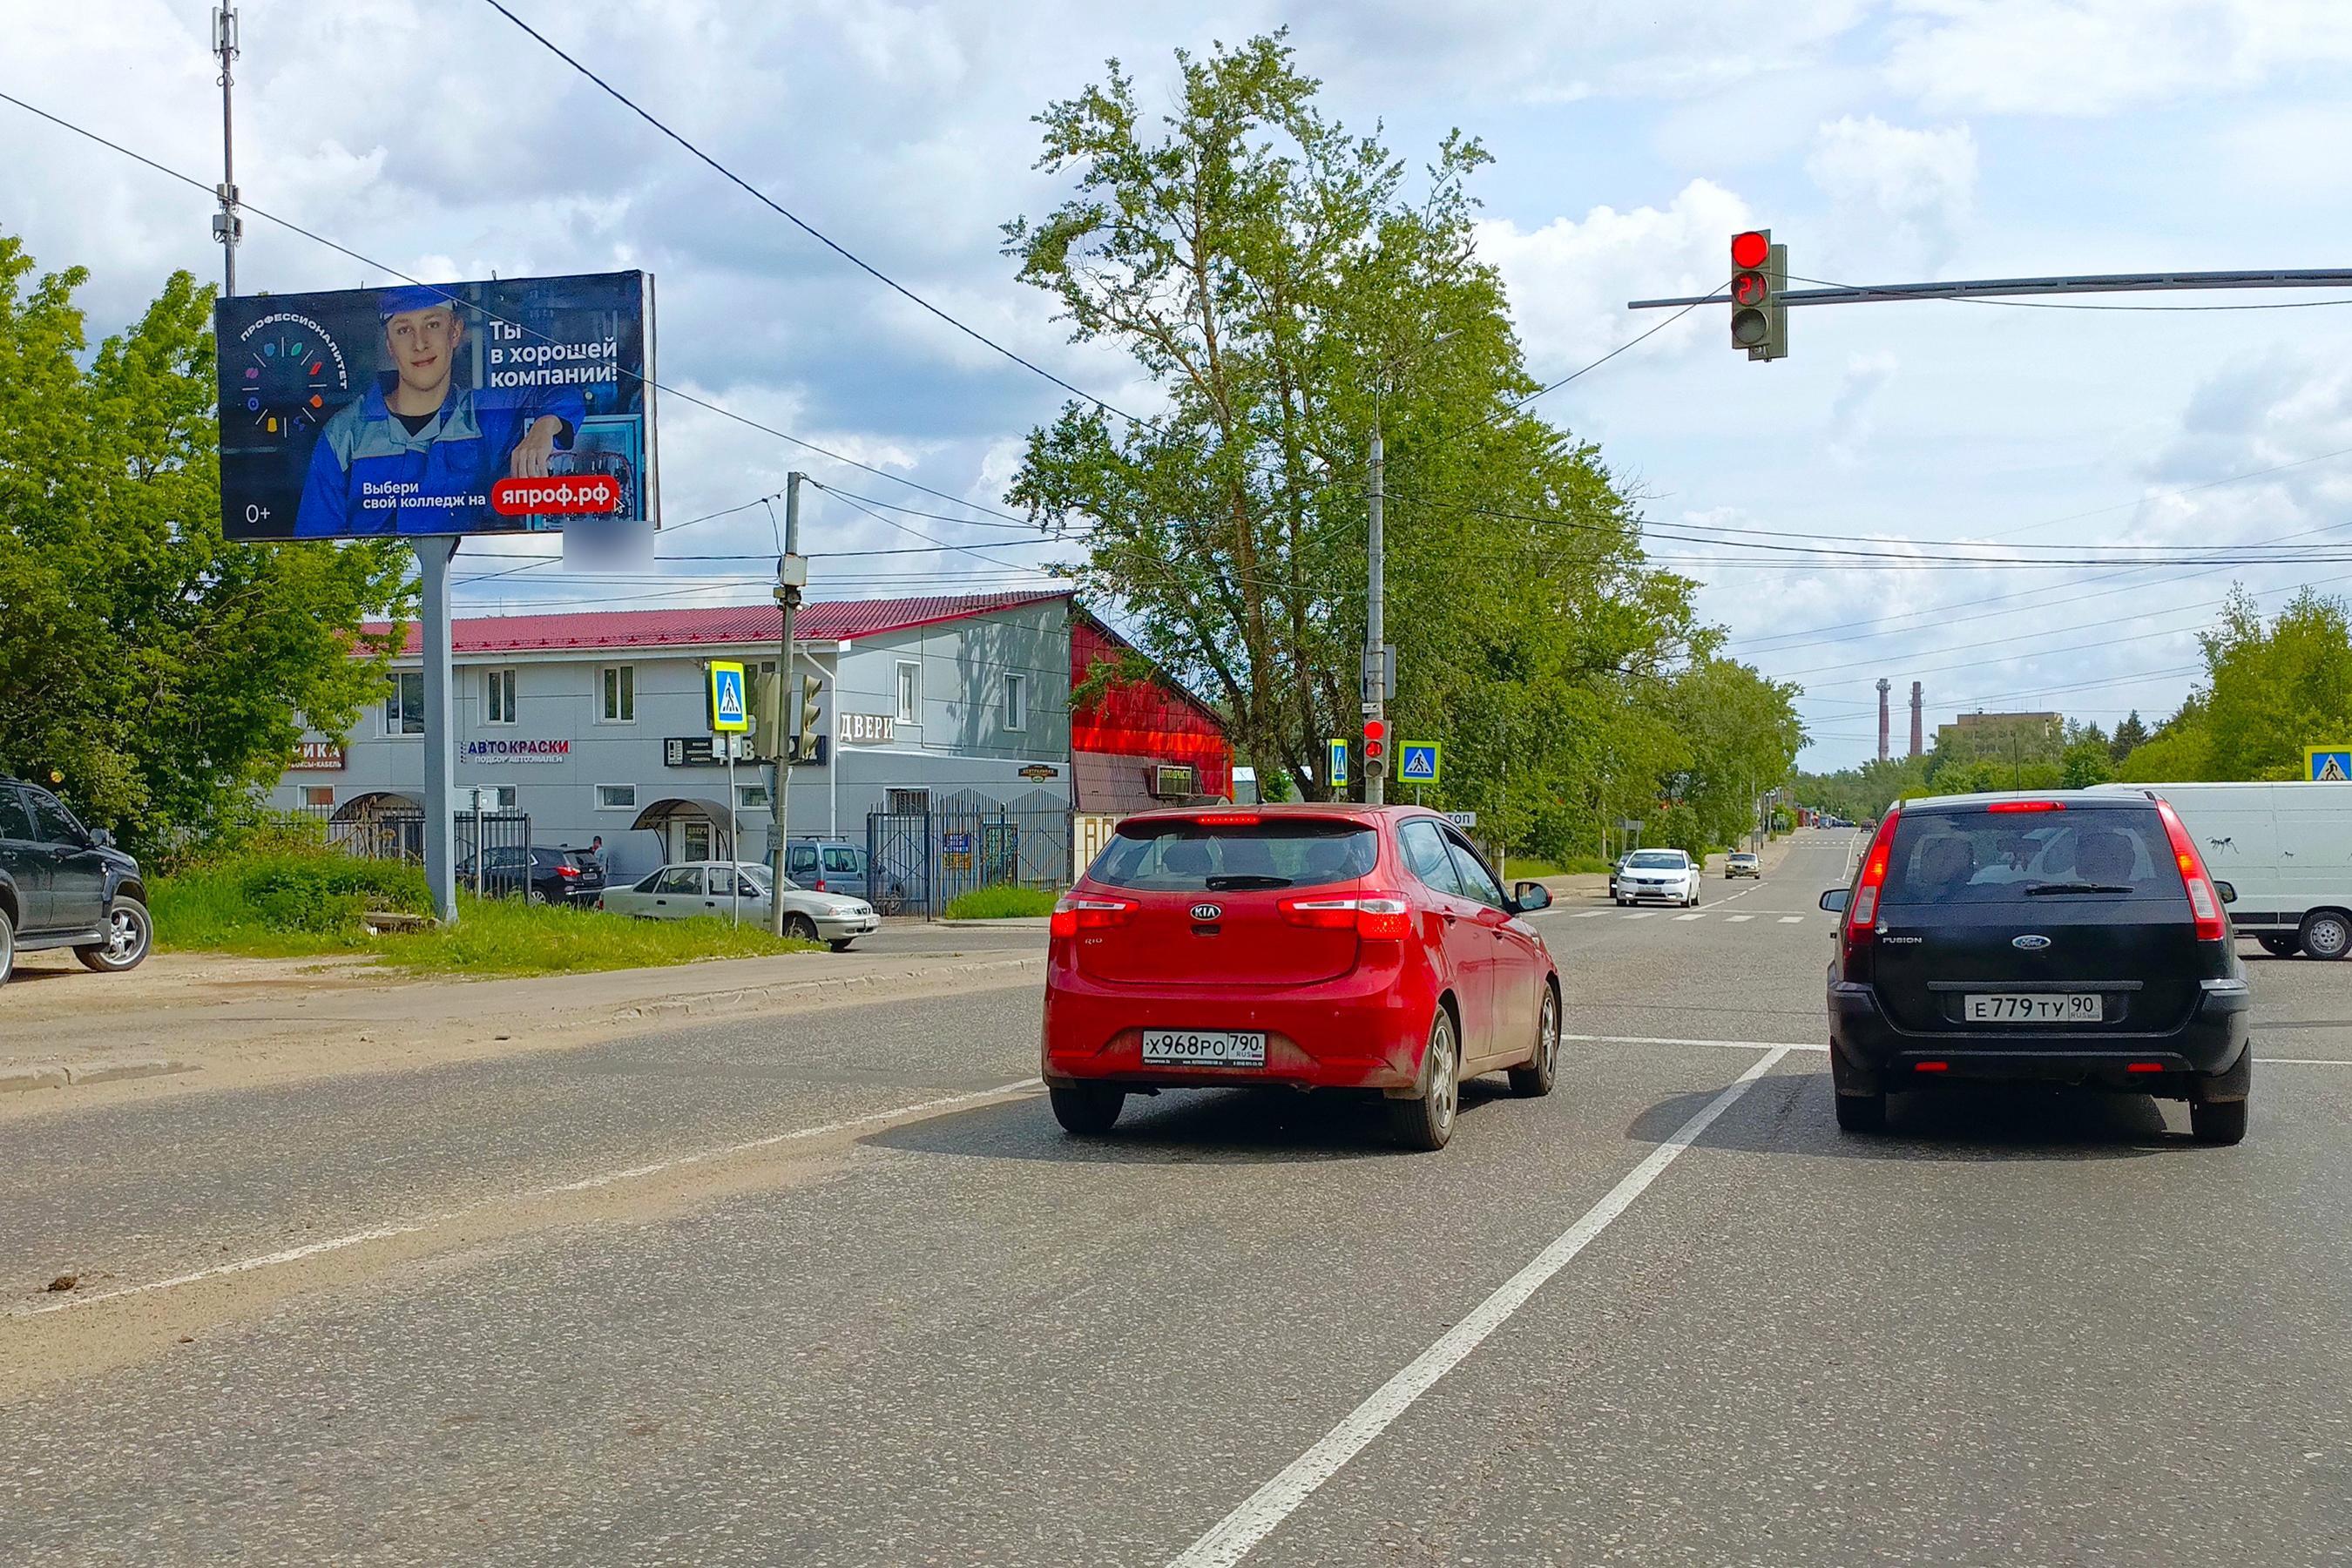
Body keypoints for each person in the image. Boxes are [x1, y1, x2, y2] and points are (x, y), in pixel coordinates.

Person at [294, 286, 586, 537]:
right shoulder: (345, 434)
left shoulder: (485, 414)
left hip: (468, 580)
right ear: (390, 345)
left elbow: (563, 393)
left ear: (455, 331)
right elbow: (313, 547)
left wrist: (546, 425)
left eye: (432, 324)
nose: (419, 344)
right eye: (404, 329)